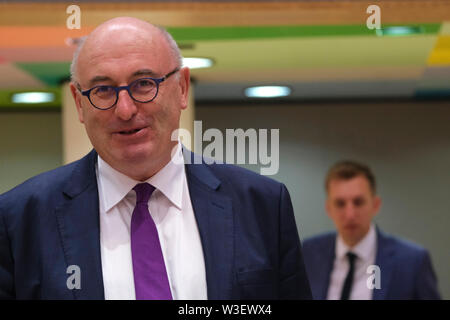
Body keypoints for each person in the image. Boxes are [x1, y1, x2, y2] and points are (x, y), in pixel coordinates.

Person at [0, 17, 311, 300]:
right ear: (79, 105)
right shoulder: (18, 220)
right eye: (103, 90)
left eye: (144, 84)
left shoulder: (262, 205)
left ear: (182, 88)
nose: (125, 110)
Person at [302, 160, 441, 300]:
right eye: (340, 204)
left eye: (358, 202)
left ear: (375, 205)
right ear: (328, 209)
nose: (350, 214)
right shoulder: (308, 253)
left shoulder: (412, 261)